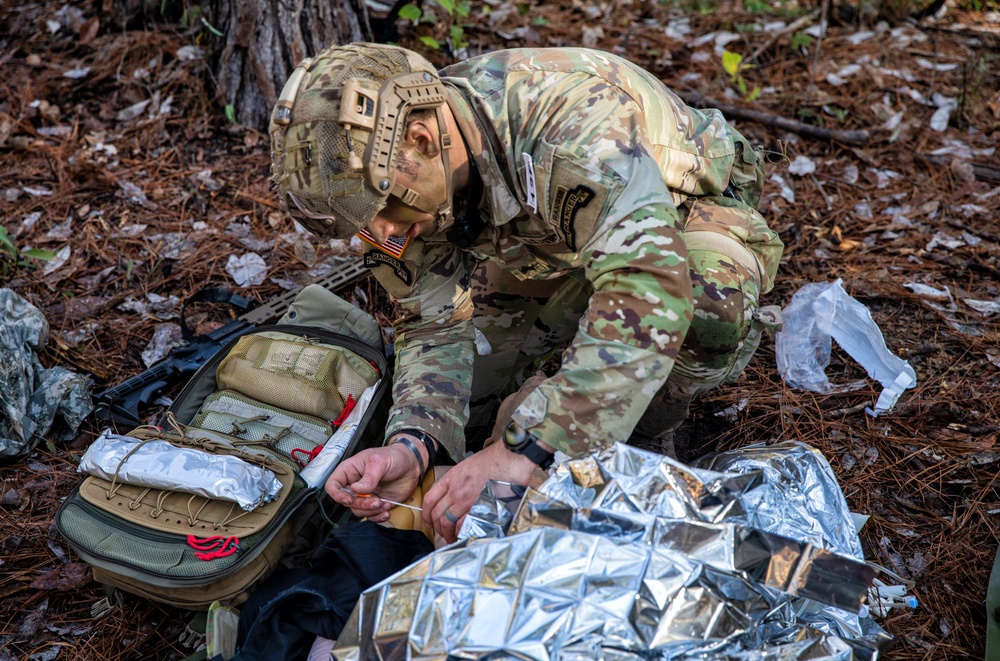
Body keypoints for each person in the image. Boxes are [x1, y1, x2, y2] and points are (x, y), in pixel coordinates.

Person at [268, 43, 783, 543]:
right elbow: (431, 323)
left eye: (381, 211)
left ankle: (651, 432)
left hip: (676, 216)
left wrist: (532, 448)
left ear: (423, 139)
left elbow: (649, 283)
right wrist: (414, 445)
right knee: (471, 417)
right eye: (362, 222)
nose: (380, 232)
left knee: (710, 308)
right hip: (539, 241)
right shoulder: (394, 188)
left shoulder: (569, 126)